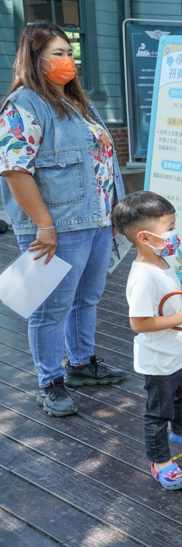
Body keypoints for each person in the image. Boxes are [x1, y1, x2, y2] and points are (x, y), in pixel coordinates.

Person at [0, 21, 126, 417]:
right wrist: (44, 225)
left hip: (97, 220)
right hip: (58, 226)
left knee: (86, 299)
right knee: (50, 308)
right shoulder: (24, 104)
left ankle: (81, 364)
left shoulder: (75, 101)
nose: (68, 61)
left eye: (70, 53)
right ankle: (49, 382)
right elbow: (14, 170)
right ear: (35, 59)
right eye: (58, 53)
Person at [112, 191, 182, 490]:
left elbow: (166, 302)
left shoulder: (163, 260)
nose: (174, 233)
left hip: (180, 351)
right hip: (159, 359)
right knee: (158, 412)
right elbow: (139, 323)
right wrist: (181, 319)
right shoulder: (142, 276)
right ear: (145, 238)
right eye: (169, 227)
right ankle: (160, 462)